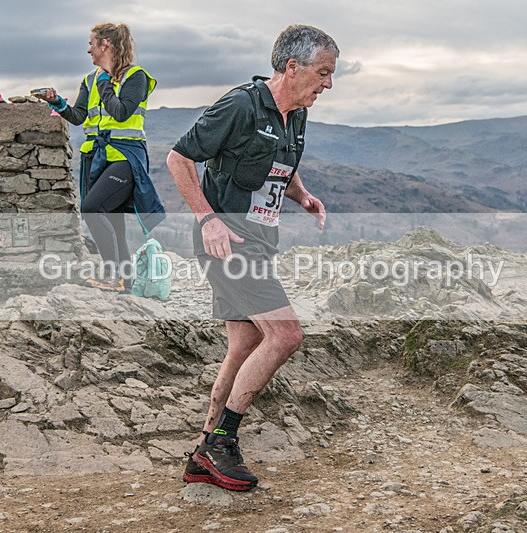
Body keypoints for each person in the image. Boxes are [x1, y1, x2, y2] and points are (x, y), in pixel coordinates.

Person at [167, 24, 338, 491]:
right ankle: (222, 442)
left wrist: (301, 195)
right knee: (285, 336)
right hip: (229, 241)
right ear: (291, 67)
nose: (327, 84)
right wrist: (208, 219)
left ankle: (203, 449)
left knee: (244, 344)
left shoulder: (297, 110)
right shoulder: (240, 105)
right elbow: (178, 159)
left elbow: (283, 160)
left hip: (260, 239)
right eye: (322, 73)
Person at [35, 22, 165, 292]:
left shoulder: (136, 77)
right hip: (97, 157)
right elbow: (80, 116)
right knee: (114, 222)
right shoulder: (90, 79)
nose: (88, 50)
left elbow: (120, 113)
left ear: (105, 44)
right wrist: (56, 102)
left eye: (92, 44)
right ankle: (124, 284)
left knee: (92, 209)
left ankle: (112, 276)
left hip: (125, 158)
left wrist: (106, 82)